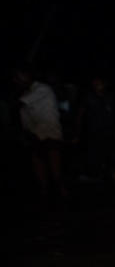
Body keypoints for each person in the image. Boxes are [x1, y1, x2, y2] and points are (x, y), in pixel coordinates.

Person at [13, 66, 66, 199]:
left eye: (19, 78)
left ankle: (60, 190)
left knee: (54, 164)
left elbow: (18, 104)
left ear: (27, 77)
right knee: (38, 161)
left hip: (50, 130)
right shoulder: (27, 92)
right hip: (35, 133)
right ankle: (44, 190)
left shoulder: (42, 89)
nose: (16, 81)